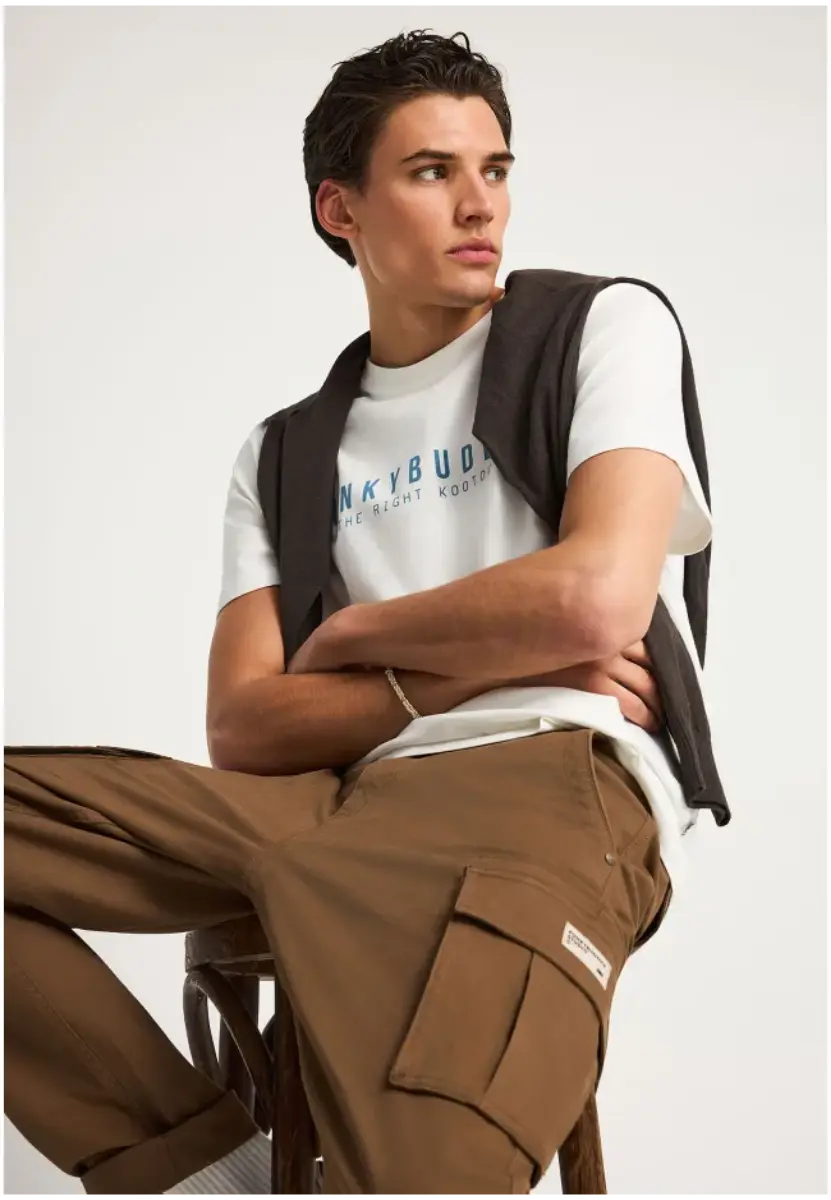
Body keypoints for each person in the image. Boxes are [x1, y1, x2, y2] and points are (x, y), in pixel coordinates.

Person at [5, 28, 714, 1199]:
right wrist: (484, 662)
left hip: (544, 788)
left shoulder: (601, 327)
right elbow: (243, 726)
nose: (481, 204)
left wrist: (350, 636)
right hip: (333, 795)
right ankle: (205, 1175)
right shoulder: (284, 452)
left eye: (495, 168)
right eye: (432, 171)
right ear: (341, 208)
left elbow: (598, 595)